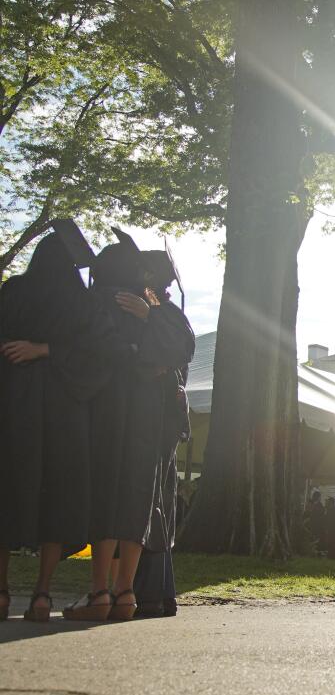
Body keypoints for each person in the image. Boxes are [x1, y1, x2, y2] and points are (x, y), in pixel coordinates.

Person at [64, 229, 195, 621]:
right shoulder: (152, 308)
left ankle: (111, 591)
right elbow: (173, 353)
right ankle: (130, 594)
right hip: (148, 416)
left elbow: (174, 353)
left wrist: (140, 344)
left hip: (127, 414)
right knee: (142, 499)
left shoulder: (147, 307)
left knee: (125, 497)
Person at [0, 223, 115, 621]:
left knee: (8, 490)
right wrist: (50, 350)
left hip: (14, 408)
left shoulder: (13, 292)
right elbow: (102, 358)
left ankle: (0, 592)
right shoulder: (85, 303)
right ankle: (42, 594)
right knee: (58, 495)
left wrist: (33, 349)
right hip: (65, 411)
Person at [131, 248, 194, 618]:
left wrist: (149, 319)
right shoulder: (161, 313)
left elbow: (178, 351)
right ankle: (156, 592)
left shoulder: (166, 315)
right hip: (155, 418)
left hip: (160, 421)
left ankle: (154, 592)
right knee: (154, 500)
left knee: (153, 500)